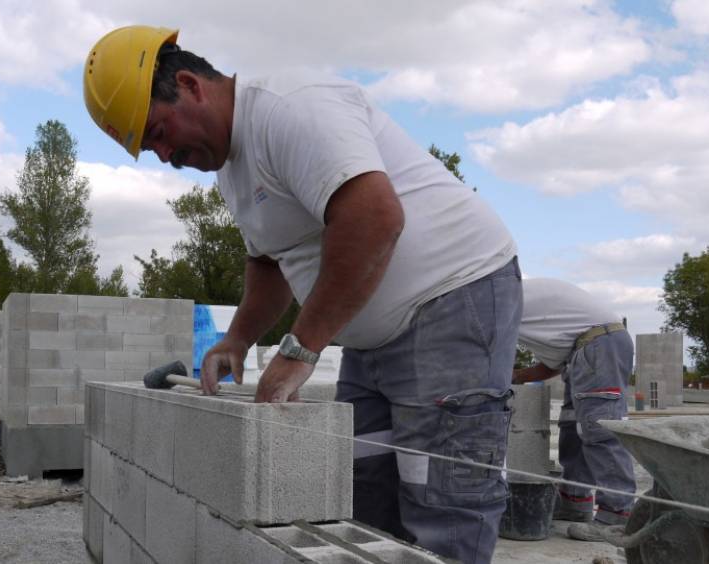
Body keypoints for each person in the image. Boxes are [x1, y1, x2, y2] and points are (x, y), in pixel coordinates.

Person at [84, 26, 522, 564]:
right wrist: (237, 340)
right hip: (370, 338)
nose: (163, 154)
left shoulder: (290, 108)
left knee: (442, 506)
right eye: (149, 149)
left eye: (157, 132)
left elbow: (374, 217)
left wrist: (299, 349)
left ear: (189, 85)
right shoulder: (231, 169)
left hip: (452, 300)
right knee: (363, 496)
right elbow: (272, 261)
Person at [514, 278, 636, 541]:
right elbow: (549, 367)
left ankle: (617, 514)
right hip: (586, 350)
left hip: (598, 345)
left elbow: (487, 347)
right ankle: (575, 503)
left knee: (599, 429)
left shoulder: (502, 297)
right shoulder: (542, 318)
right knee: (572, 427)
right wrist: (517, 377)